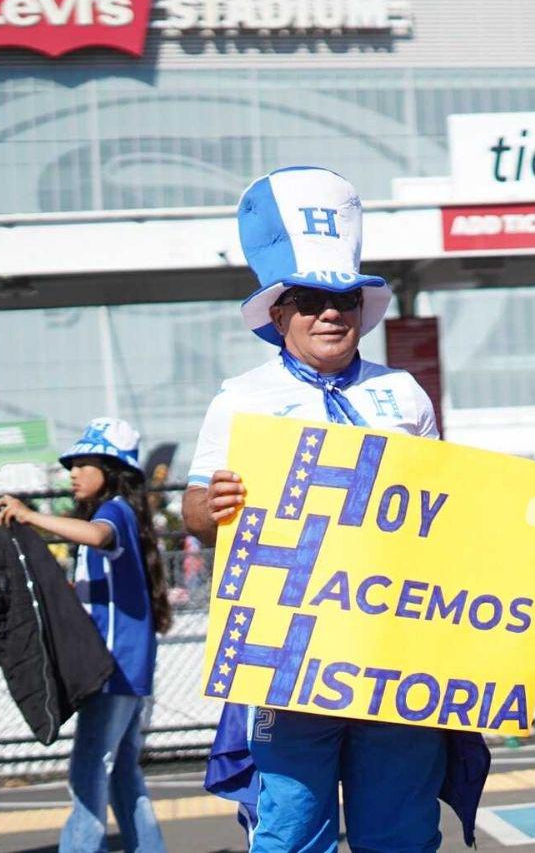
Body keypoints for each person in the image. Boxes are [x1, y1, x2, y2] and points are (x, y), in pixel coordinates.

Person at [181, 167, 486, 851]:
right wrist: (214, 503)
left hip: (397, 658)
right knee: (292, 833)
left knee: (402, 835)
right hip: (290, 664)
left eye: (343, 297)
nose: (330, 312)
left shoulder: (404, 393)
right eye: (311, 299)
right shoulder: (240, 397)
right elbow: (193, 511)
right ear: (279, 314)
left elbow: (447, 511)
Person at [0, 417, 170, 853]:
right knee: (124, 774)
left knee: (87, 772)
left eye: (83, 463)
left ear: (111, 470)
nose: (72, 473)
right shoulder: (128, 514)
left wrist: (30, 515)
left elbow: (96, 536)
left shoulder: (114, 512)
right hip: (130, 670)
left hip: (112, 671)